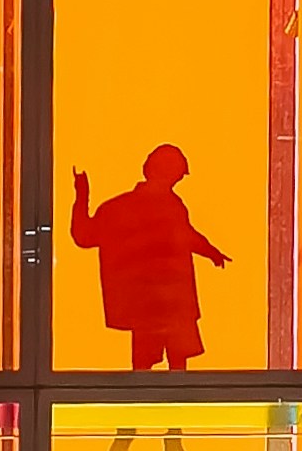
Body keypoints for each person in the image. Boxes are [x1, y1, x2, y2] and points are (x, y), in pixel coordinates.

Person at [69, 145, 231, 374]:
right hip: (161, 305)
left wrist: (210, 251)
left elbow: (84, 235)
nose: (176, 181)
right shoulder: (138, 207)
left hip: (160, 305)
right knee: (161, 364)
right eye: (174, 175)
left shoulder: (125, 207)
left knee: (156, 364)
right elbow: (85, 236)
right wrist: (82, 195)